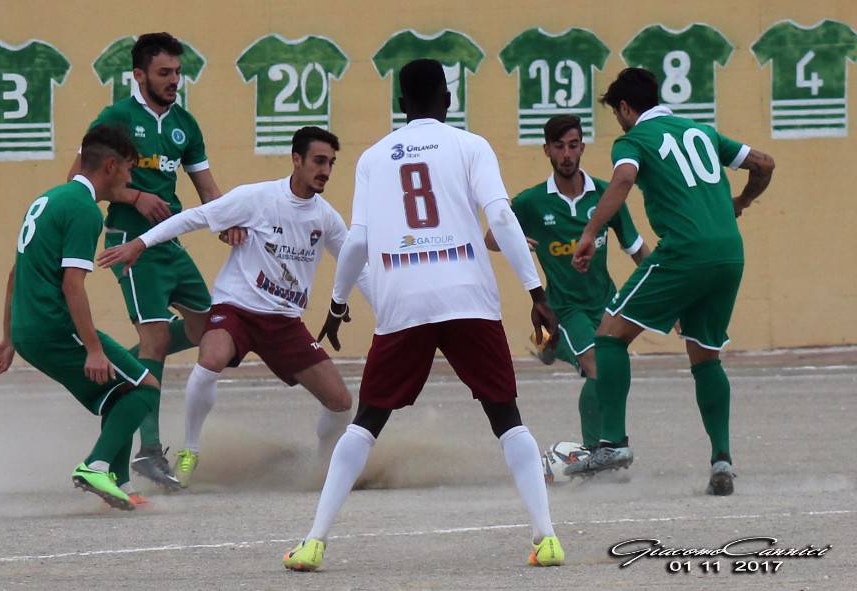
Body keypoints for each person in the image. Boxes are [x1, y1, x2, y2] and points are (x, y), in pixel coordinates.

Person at [281, 59, 564, 572]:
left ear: (401, 105)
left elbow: (360, 240)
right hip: (467, 297)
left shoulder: (372, 158)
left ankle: (314, 541)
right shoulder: (470, 146)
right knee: (506, 417)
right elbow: (500, 216)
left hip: (403, 301)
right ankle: (546, 538)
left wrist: (339, 302)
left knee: (366, 422)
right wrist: (535, 291)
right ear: (447, 100)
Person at [98, 126, 370, 488]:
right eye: (319, 161)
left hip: (285, 322)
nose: (325, 170)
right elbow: (194, 217)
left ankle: (324, 467)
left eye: (331, 164)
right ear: (296, 160)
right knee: (211, 358)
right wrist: (140, 244)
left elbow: (355, 266)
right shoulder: (256, 198)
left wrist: (390, 308)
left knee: (340, 401)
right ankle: (190, 451)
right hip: (236, 307)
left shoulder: (326, 218)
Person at [566, 68, 775, 495]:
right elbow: (764, 163)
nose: (619, 123)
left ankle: (613, 444)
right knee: (705, 357)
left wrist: (590, 232)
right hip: (729, 253)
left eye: (618, 113)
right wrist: (742, 201)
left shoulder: (635, 140)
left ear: (626, 108)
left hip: (684, 251)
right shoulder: (700, 132)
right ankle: (722, 460)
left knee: (609, 336)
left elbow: (623, 178)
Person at [69, 33, 241, 490]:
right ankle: (148, 450)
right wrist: (134, 195)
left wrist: (232, 224)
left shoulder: (185, 123)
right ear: (139, 75)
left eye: (178, 73)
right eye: (164, 73)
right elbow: (79, 181)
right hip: (130, 241)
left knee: (212, 326)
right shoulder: (116, 118)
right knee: (158, 337)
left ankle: (131, 358)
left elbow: (207, 189)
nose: (174, 81)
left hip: (170, 244)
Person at [0, 125, 161, 510]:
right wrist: (94, 350)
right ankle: (95, 466)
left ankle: (121, 485)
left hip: (29, 329)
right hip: (54, 326)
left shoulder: (46, 200)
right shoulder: (83, 210)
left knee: (120, 391)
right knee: (146, 386)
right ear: (110, 166)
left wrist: (10, 337)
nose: (131, 179)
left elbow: (16, 273)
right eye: (129, 170)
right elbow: (72, 287)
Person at [484, 115, 650, 453]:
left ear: (582, 147)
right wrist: (512, 238)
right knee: (596, 368)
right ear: (547, 150)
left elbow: (635, 247)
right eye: (559, 147)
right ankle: (598, 449)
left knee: (612, 371)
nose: (567, 154)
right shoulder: (533, 201)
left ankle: (547, 343)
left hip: (607, 302)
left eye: (573, 146)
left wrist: (667, 292)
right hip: (565, 306)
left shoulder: (605, 194)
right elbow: (490, 237)